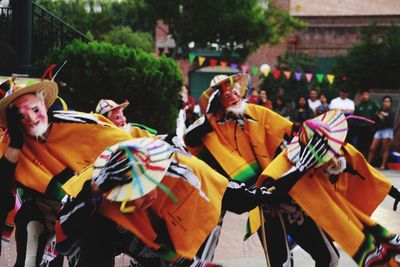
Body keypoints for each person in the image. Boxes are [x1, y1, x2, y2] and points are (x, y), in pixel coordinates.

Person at [184, 73, 339, 267]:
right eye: (223, 93)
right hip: (259, 201)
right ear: (216, 100)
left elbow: (293, 133)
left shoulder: (258, 113)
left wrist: (325, 152)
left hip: (286, 191)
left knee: (328, 258)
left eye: (233, 90)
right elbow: (189, 139)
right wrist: (210, 117)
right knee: (280, 264)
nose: (231, 96)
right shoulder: (210, 127)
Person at [258, 110, 400, 267]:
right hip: (274, 212)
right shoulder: (286, 163)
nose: (333, 158)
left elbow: (368, 172)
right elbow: (267, 193)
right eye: (326, 154)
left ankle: (293, 241)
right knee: (282, 263)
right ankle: (289, 243)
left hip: (303, 211)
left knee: (329, 258)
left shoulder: (343, 151)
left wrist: (396, 193)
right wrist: (301, 168)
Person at [368, 96, 395, 170]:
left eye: (388, 101)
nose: (386, 103)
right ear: (383, 102)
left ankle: (383, 165)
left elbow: (392, 122)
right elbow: (375, 120)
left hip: (388, 130)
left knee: (384, 149)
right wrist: (379, 115)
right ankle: (368, 164)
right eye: (385, 101)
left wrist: (385, 116)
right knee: (372, 148)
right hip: (379, 130)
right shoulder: (379, 110)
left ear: (390, 103)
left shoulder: (392, 112)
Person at [353, 89, 380, 157]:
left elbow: (379, 112)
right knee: (361, 145)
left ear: (369, 95)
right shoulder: (359, 105)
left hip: (371, 127)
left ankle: (370, 161)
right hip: (361, 128)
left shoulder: (373, 103)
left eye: (366, 94)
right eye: (363, 94)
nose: (365, 96)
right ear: (361, 96)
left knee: (370, 145)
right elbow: (355, 116)